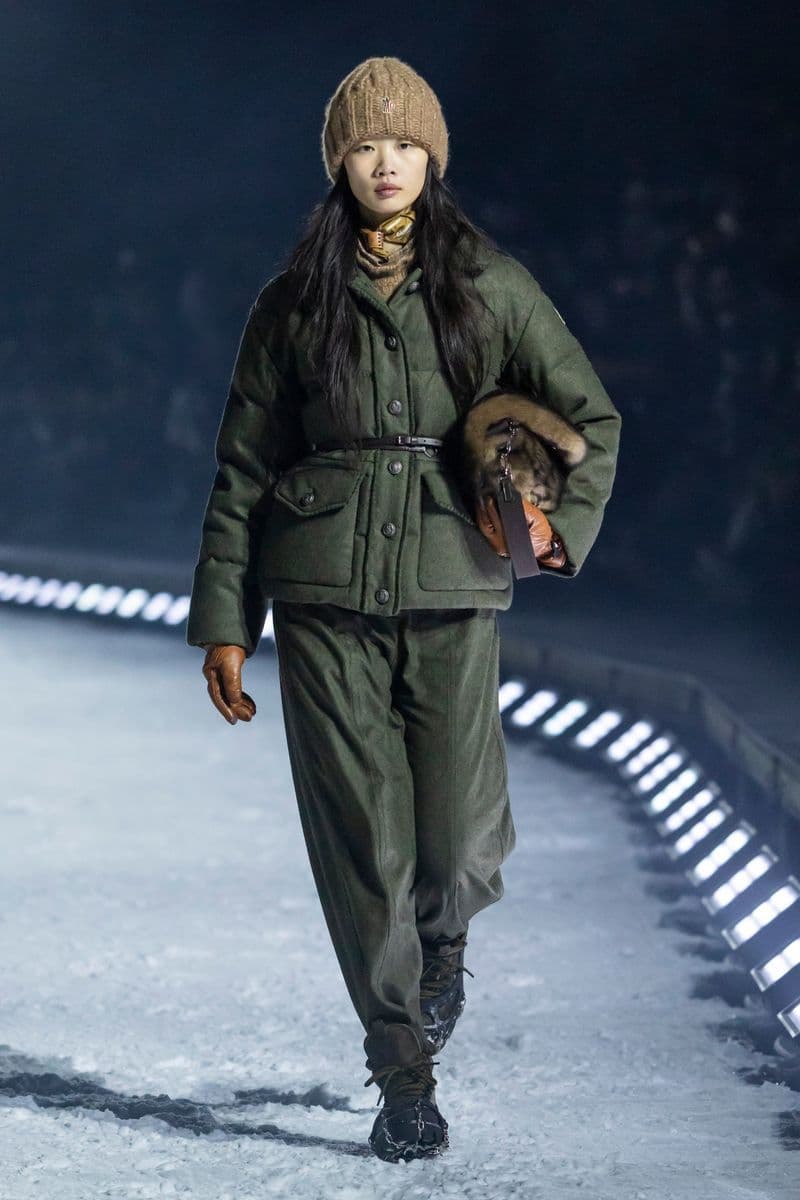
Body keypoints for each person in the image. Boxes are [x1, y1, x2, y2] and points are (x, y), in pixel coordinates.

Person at [186, 55, 622, 1164]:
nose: (386, 163)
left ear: (432, 158)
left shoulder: (489, 283)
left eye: (405, 144)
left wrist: (553, 523)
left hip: (450, 579)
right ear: (340, 162)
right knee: (360, 844)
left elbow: (590, 418)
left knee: (461, 840)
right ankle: (402, 1074)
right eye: (366, 145)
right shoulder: (293, 301)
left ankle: (445, 945)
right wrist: (226, 619)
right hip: (322, 588)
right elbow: (243, 467)